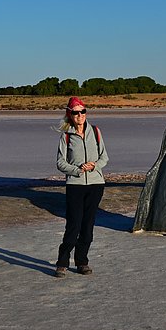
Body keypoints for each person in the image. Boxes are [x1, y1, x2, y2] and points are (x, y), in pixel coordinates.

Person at [54, 96, 109, 278]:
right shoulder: (66, 136)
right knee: (74, 225)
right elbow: (60, 163)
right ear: (70, 115)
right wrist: (77, 170)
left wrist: (94, 166)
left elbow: (104, 157)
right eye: (76, 112)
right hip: (75, 185)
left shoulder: (96, 131)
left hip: (96, 184)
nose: (80, 115)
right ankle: (62, 263)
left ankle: (82, 262)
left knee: (88, 226)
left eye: (82, 111)